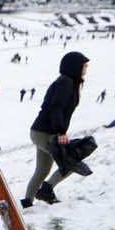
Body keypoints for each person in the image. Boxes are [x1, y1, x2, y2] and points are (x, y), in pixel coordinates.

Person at [22, 51, 89, 207]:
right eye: (84, 66)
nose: (86, 69)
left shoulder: (68, 82)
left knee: (42, 170)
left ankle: (26, 203)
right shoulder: (65, 83)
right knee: (71, 161)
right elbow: (55, 108)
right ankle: (46, 190)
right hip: (45, 132)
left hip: (41, 131)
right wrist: (60, 132)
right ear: (75, 67)